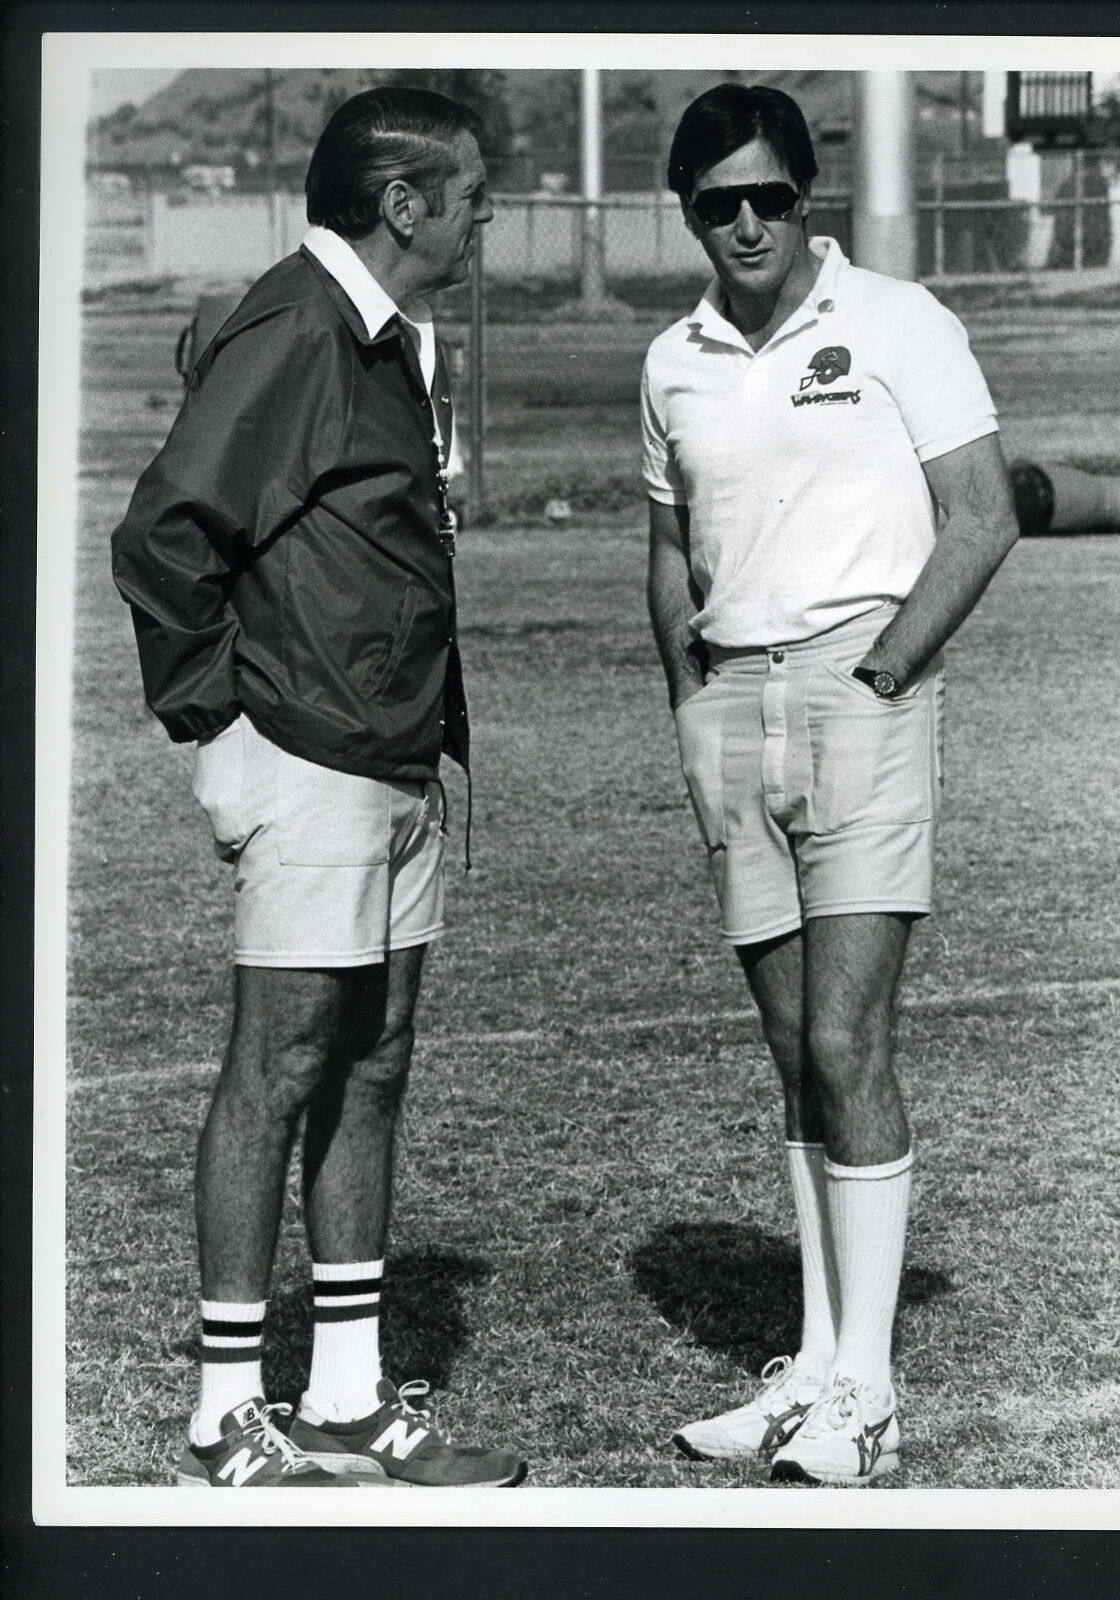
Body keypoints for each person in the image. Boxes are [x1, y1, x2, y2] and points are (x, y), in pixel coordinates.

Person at [112, 87, 526, 1489]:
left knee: (374, 1061)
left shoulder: (389, 337)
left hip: (394, 759)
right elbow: (166, 533)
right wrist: (213, 741)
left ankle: (346, 1396)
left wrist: (437, 737)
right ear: (403, 206)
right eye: (471, 192)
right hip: (304, 756)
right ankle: (228, 1407)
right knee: (279, 1067)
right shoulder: (297, 327)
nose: (487, 212)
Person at [642, 84, 1018, 1486]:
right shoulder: (671, 360)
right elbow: (668, 552)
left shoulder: (901, 324)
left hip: (863, 679)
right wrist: (693, 710)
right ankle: (813, 1370)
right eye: (716, 202)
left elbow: (982, 519)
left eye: (770, 198)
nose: (745, 223)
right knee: (797, 1049)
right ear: (688, 212)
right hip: (734, 699)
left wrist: (881, 675)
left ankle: (869, 1387)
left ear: (812, 201)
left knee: (852, 1041)